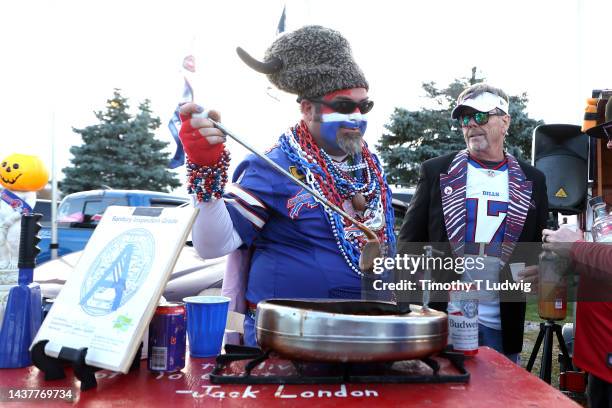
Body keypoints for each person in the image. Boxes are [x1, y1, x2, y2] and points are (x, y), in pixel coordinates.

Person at [178, 26, 396, 345]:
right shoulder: (273, 167)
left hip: (367, 338)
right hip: (286, 343)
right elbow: (212, 246)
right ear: (308, 109)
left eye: (365, 106)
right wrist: (205, 168)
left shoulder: (370, 168)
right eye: (345, 106)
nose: (359, 117)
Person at [398, 83, 549, 363]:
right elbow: (408, 243)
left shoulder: (533, 180)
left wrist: (541, 269)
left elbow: (538, 247)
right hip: (444, 315)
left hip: (502, 320)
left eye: (480, 116)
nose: (471, 125)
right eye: (464, 118)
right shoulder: (436, 171)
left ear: (505, 121)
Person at [532, 131, 612, 408]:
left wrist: (576, 247)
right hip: (602, 359)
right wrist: (565, 264)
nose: (609, 143)